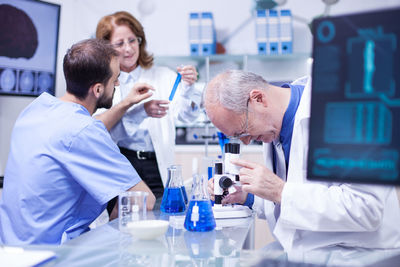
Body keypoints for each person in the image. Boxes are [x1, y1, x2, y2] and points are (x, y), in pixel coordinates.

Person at [204, 70, 400, 251]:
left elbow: (366, 209)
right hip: (311, 253)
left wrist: (279, 191)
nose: (246, 141)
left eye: (242, 131)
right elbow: (298, 195)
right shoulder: (273, 126)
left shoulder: (344, 111)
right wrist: (248, 196)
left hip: (358, 255)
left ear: (258, 98)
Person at [0, 39, 156, 245]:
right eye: (115, 79)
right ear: (98, 90)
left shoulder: (34, 110)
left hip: (11, 249)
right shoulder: (84, 131)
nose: (118, 84)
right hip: (54, 254)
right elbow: (142, 201)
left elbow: (78, 130)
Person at [95, 11, 201, 200]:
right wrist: (141, 111)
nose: (128, 49)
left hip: (156, 165)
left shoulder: (162, 76)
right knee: (122, 222)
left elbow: (187, 116)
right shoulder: (102, 82)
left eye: (132, 40)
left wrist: (188, 89)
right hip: (122, 163)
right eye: (120, 43)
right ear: (106, 48)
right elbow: (100, 128)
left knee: (162, 218)